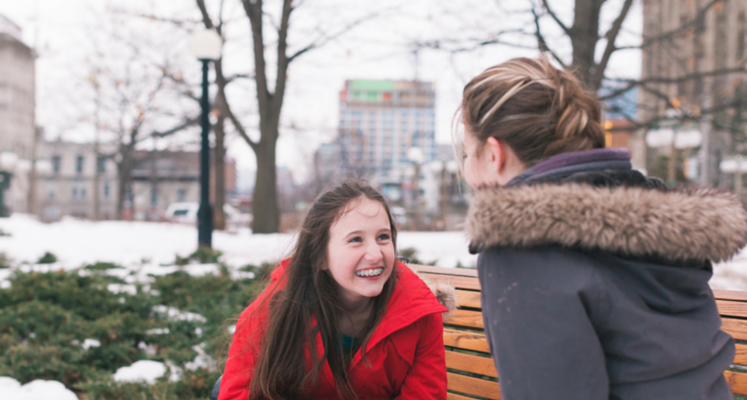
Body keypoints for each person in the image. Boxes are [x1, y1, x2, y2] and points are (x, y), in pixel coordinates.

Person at [459, 57, 747, 399]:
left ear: (494, 154)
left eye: (465, 154)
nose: (466, 171)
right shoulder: (664, 225)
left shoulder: (521, 249)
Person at [217, 180, 453, 400]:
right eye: (355, 240)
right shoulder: (274, 308)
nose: (375, 254)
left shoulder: (421, 313)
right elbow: (237, 393)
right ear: (319, 257)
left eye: (383, 237)